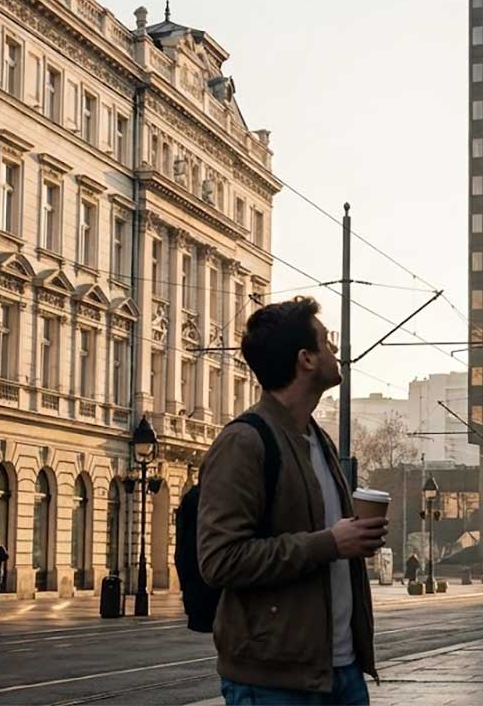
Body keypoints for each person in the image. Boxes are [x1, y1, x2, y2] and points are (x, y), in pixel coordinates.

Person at [198, 299, 388, 706]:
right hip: (273, 680)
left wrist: (355, 537)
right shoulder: (244, 442)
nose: (335, 350)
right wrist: (330, 544)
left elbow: (325, 538)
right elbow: (220, 559)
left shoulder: (318, 440)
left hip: (340, 670)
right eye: (326, 341)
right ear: (305, 359)